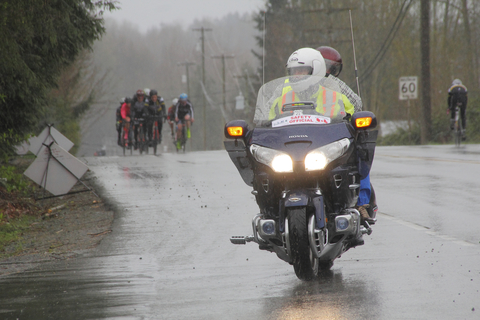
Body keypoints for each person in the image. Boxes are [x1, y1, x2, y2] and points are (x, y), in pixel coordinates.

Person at [317, 45, 376, 224]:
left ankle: (361, 204)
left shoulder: (336, 86)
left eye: (331, 67)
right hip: (310, 137)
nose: (327, 71)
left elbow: (356, 106)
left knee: (359, 156)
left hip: (332, 136)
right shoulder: (299, 86)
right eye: (324, 65)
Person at [268, 47, 354, 120]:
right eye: (294, 71)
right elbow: (267, 126)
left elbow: (352, 127)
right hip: (291, 139)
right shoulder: (280, 100)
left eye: (301, 71)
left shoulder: (337, 98)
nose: (296, 75)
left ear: (316, 71)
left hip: (326, 139)